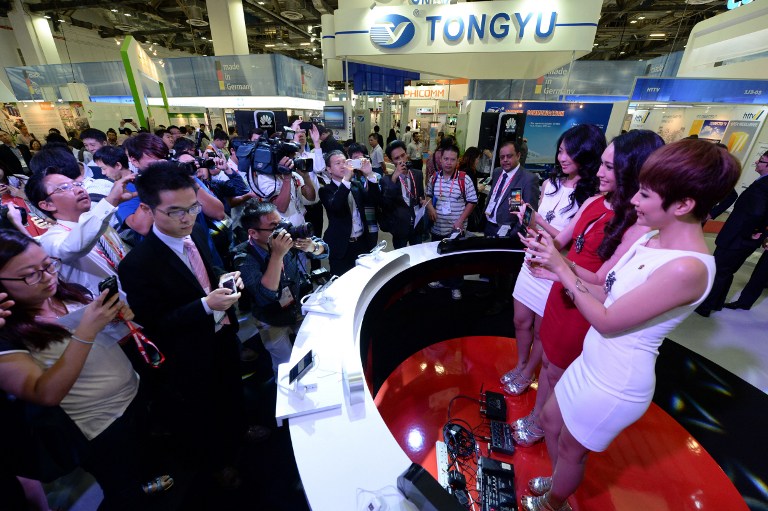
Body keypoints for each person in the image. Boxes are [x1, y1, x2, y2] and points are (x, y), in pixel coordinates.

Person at [519, 139, 740, 511]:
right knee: (549, 421)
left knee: (572, 449)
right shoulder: (654, 238)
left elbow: (607, 320)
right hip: (592, 362)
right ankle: (559, 484)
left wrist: (560, 266)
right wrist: (558, 270)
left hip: (614, 381)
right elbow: (607, 291)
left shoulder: (689, 267)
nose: (634, 200)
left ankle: (555, 502)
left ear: (684, 205)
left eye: (646, 194)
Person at [512, 131, 664, 449]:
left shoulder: (639, 226)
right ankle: (539, 414)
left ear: (632, 171)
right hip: (560, 292)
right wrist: (540, 244)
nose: (598, 172)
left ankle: (543, 421)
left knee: (558, 371)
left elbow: (603, 284)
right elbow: (562, 241)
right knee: (550, 363)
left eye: (609, 167)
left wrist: (558, 267)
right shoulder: (595, 201)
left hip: (580, 304)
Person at [0, 230, 173, 510]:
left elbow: (104, 341)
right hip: (98, 426)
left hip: (133, 394)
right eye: (31, 274)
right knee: (122, 488)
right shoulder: (8, 334)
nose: (47, 277)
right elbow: (45, 394)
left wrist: (117, 318)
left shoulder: (66, 292)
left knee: (145, 460)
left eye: (48, 264)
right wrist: (87, 330)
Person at [117, 162, 249, 488]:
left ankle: (238, 438)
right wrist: (205, 305)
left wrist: (225, 280)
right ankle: (215, 464)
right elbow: (154, 325)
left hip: (222, 334)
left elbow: (207, 273)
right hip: (187, 354)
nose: (187, 218)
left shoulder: (198, 233)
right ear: (147, 209)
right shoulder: (138, 263)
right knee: (201, 413)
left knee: (232, 392)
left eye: (192, 208)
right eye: (175, 212)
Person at [501, 125, 605, 398]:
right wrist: (530, 227)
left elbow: (574, 242)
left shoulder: (592, 196)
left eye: (571, 153)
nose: (563, 157)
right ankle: (521, 363)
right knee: (520, 320)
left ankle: (527, 374)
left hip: (557, 269)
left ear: (588, 155)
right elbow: (542, 227)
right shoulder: (549, 184)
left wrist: (539, 222)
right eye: (560, 150)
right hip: (532, 258)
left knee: (541, 331)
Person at [236, 203, 328, 373]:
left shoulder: (288, 238)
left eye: (281, 222)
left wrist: (312, 247)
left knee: (313, 350)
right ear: (253, 233)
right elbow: (267, 293)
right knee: (284, 365)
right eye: (274, 226)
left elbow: (324, 251)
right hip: (270, 318)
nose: (283, 229)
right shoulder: (243, 257)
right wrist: (277, 255)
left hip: (297, 307)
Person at [26, 166, 134, 295]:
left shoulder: (100, 222)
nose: (79, 189)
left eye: (77, 184)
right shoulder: (49, 239)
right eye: (65, 187)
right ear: (47, 205)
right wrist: (111, 200)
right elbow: (73, 247)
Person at [695, 150, 768, 316]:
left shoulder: (763, 187)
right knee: (726, 271)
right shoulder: (763, 184)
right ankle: (715, 303)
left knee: (720, 270)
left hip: (737, 238)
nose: (756, 162)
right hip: (742, 238)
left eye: (762, 160)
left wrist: (752, 232)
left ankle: (705, 307)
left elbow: (757, 213)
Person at [425, 144, 477, 300]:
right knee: (439, 257)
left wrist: (461, 220)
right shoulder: (434, 177)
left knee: (456, 260)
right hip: (437, 227)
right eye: (445, 159)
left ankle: (455, 286)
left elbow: (472, 201)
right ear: (440, 159)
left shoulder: (464, 179)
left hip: (455, 229)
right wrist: (430, 209)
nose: (448, 162)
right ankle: (442, 281)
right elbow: (427, 195)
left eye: (452, 159)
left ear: (457, 161)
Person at [320, 150, 380, 276]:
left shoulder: (356, 185)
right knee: (342, 283)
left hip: (362, 242)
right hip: (341, 246)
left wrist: (369, 175)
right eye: (337, 163)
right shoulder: (326, 190)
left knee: (364, 279)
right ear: (329, 169)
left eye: (344, 162)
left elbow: (374, 201)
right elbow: (336, 206)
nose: (343, 165)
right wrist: (346, 179)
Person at [483, 140, 539, 237]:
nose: (505, 160)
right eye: (502, 157)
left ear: (518, 156)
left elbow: (528, 215)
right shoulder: (497, 172)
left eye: (509, 156)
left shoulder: (528, 179)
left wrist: (514, 234)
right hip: (488, 225)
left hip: (508, 232)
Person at [381, 140, 425, 249]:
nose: (401, 160)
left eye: (403, 155)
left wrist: (422, 201)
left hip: (416, 224)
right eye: (397, 158)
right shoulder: (387, 180)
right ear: (391, 161)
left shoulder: (418, 174)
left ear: (407, 154)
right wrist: (395, 177)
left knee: (417, 257)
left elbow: (420, 195)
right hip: (399, 227)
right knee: (401, 260)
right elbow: (385, 203)